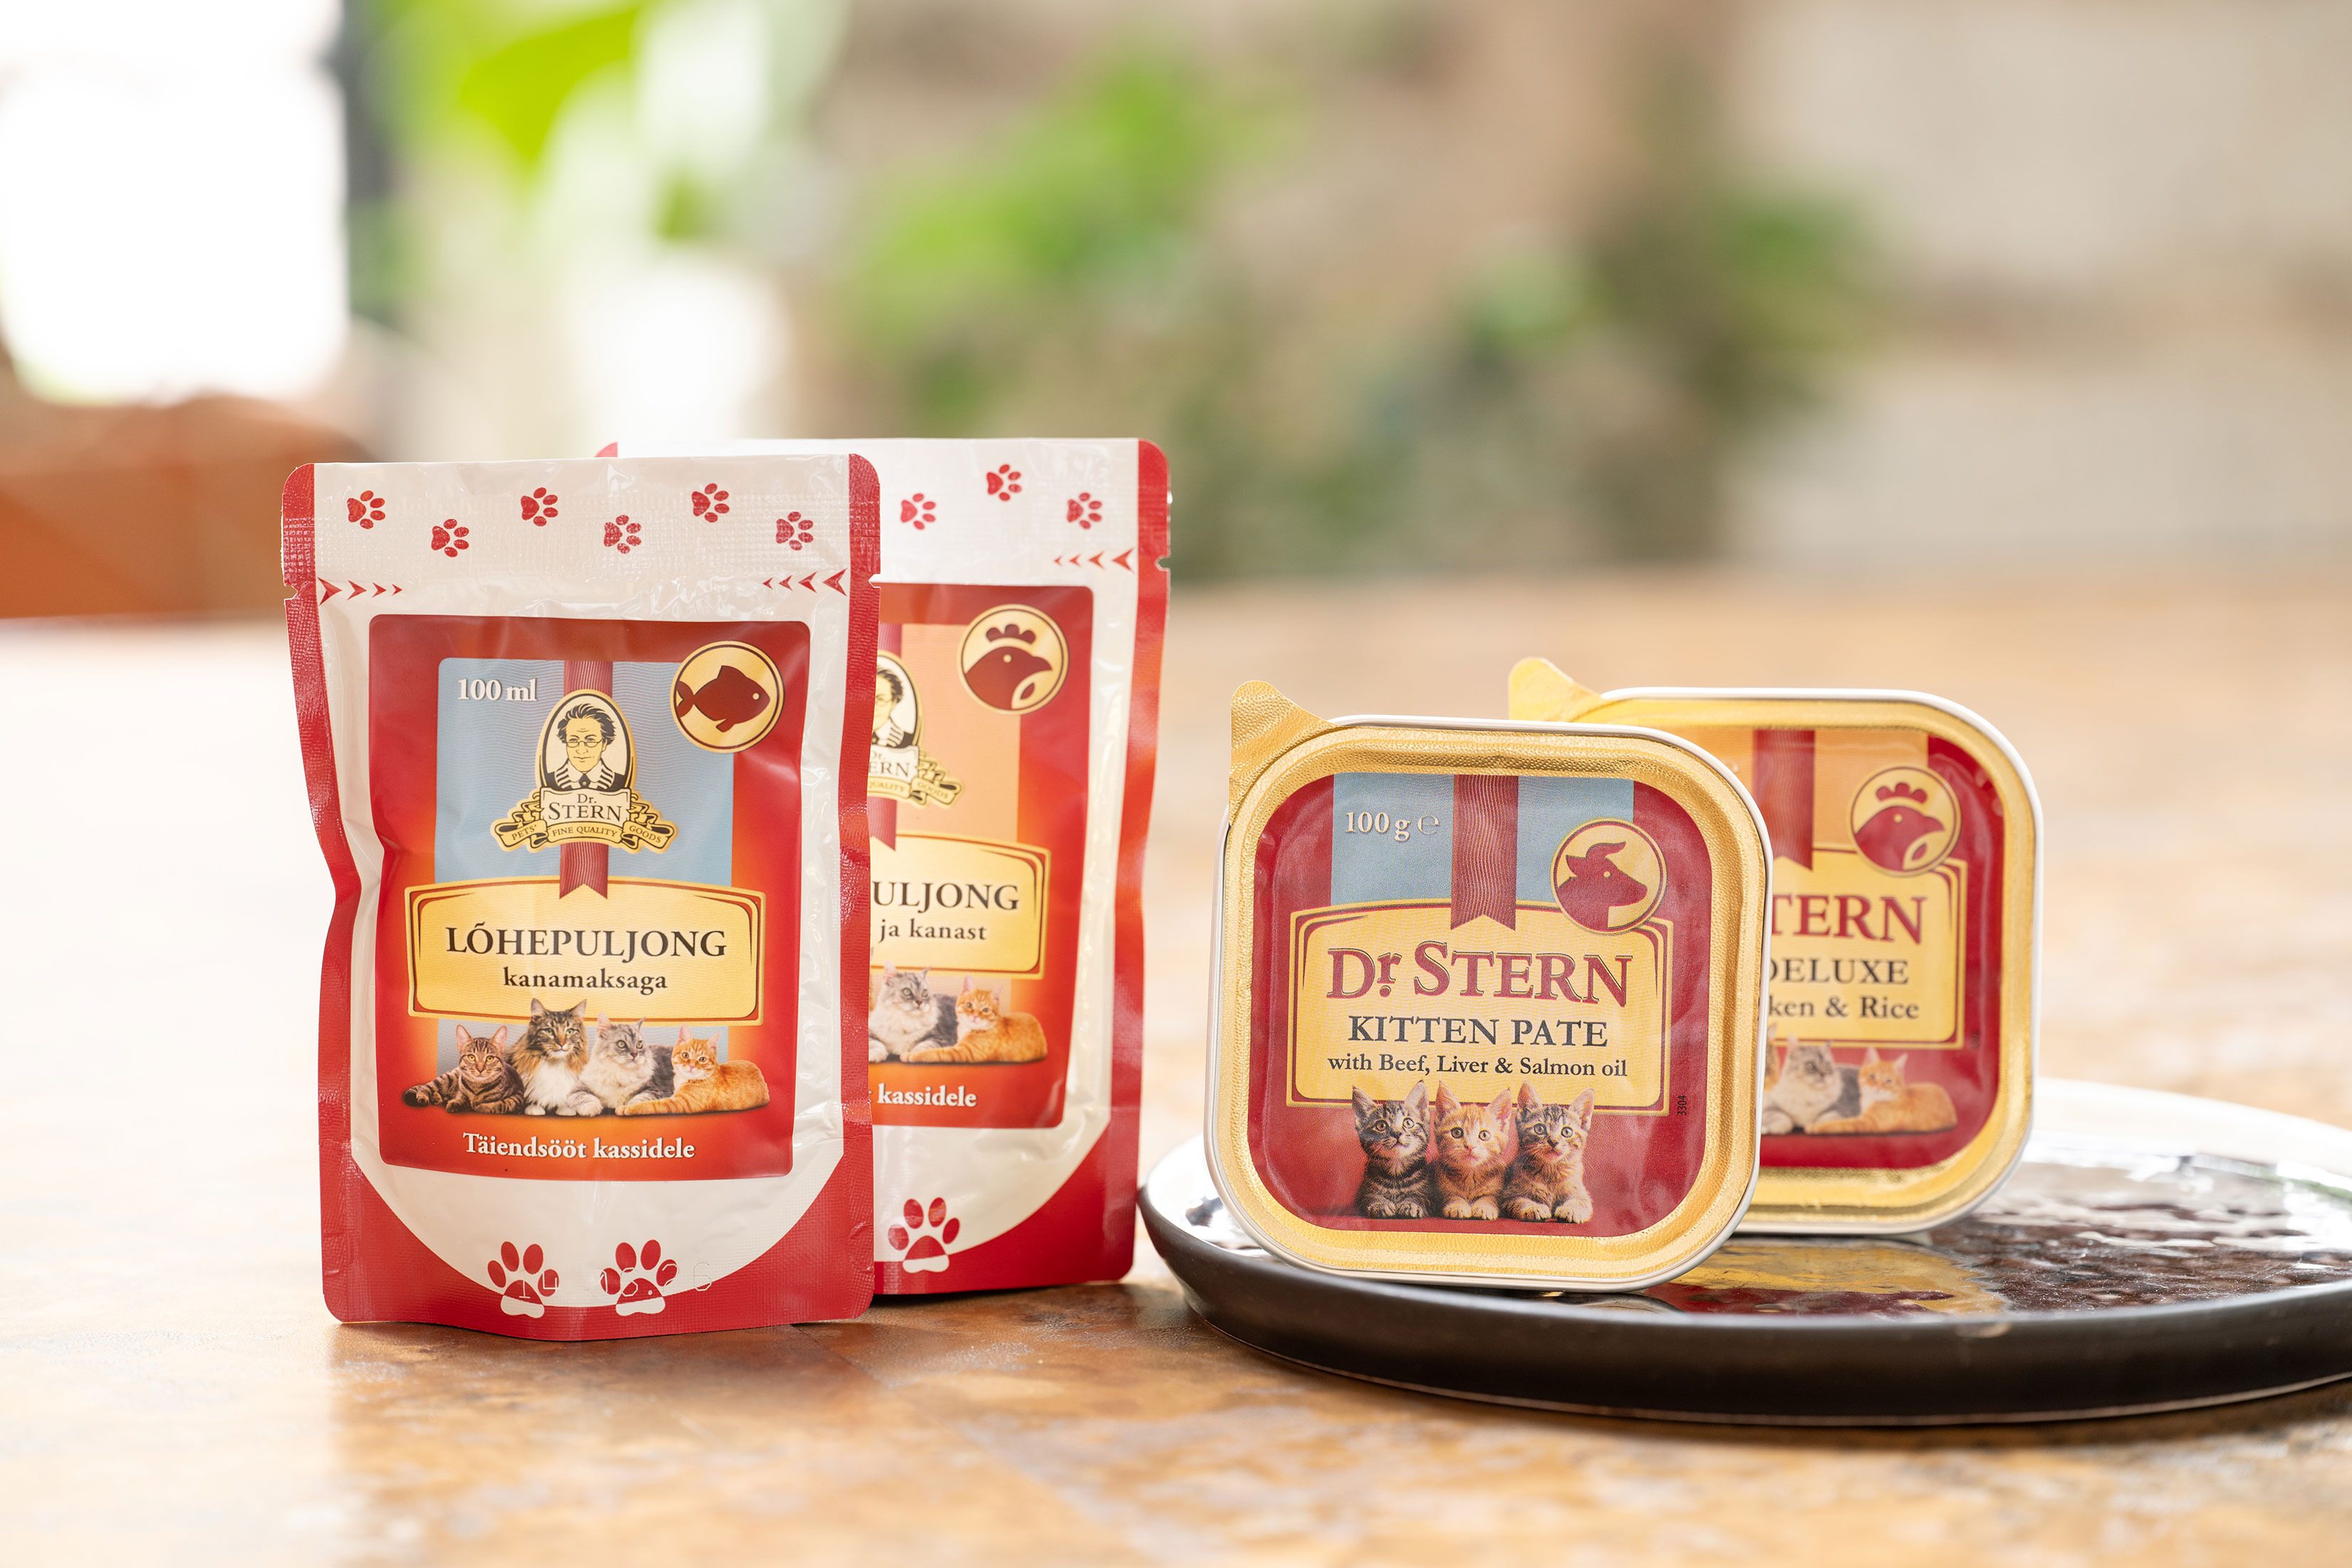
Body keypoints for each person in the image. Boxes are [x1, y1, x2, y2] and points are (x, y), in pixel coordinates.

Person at [548, 702, 623, 791]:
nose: (582, 750)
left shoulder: (620, 782)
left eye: (590, 740)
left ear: (604, 744)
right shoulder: (550, 782)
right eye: (573, 740)